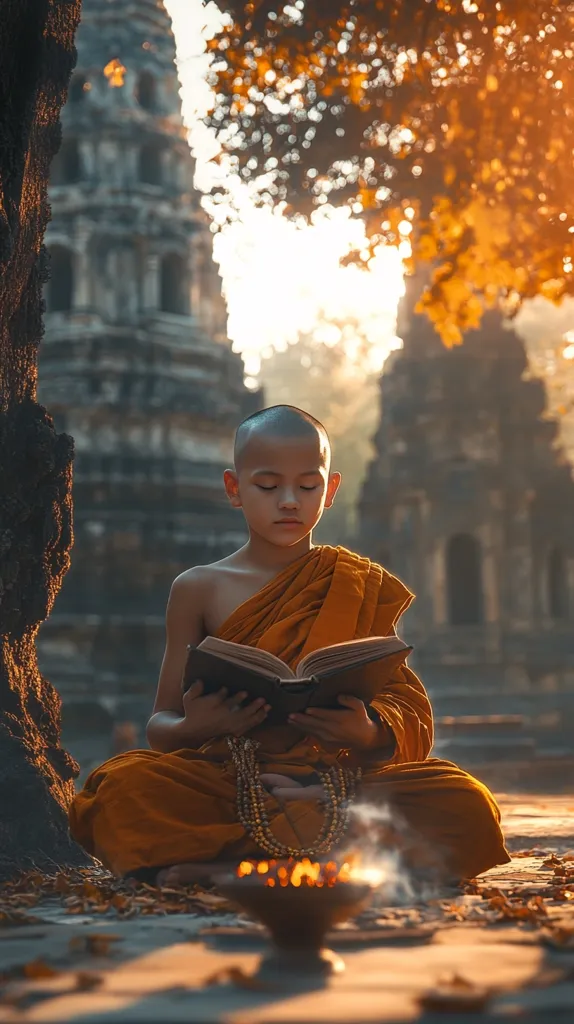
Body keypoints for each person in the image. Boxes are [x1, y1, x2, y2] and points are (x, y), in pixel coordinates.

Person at [69, 405, 510, 885]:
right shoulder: (198, 588)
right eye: (267, 485)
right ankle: (323, 864)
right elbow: (161, 724)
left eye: (307, 486)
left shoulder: (359, 583)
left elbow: (404, 704)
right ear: (234, 489)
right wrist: (198, 726)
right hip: (227, 779)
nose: (288, 501)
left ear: (331, 489)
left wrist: (367, 731)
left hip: (336, 784)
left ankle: (227, 868)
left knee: (464, 800)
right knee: (119, 788)